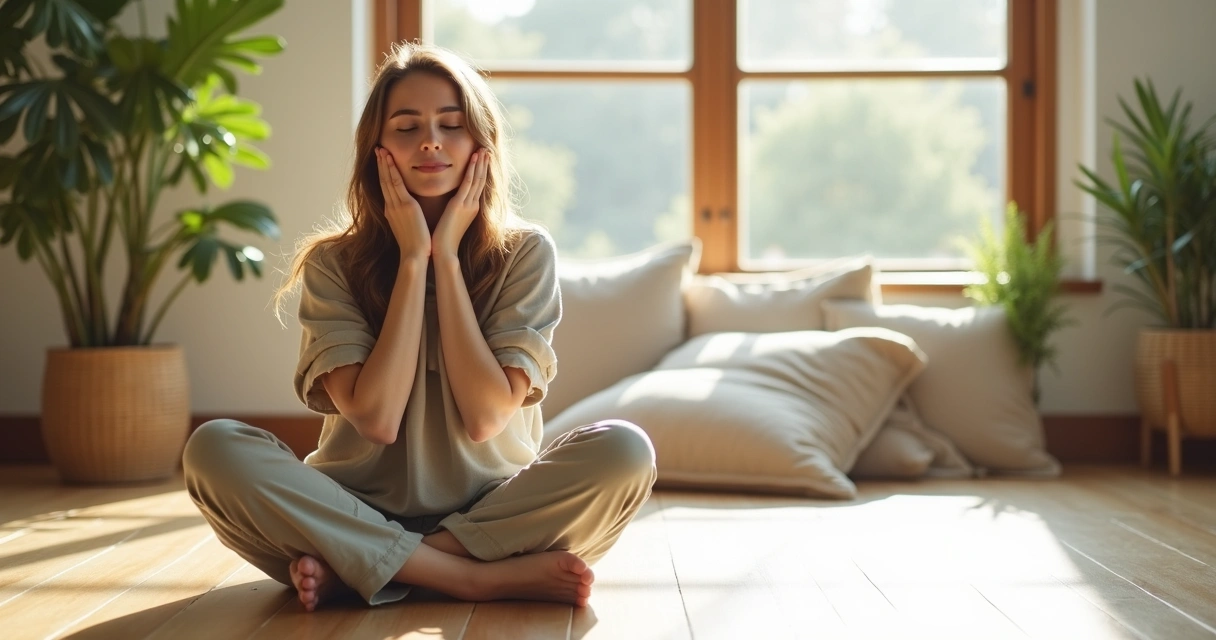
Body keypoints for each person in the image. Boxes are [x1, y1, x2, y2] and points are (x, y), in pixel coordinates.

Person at [181, 41, 657, 612]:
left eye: (450, 125)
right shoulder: (334, 264)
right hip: (352, 506)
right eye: (406, 128)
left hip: (496, 513)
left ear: (481, 143)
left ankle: (373, 568)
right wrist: (412, 260)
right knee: (214, 448)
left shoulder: (526, 253)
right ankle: (471, 578)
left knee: (626, 450)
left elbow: (485, 417)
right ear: (376, 150)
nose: (430, 141)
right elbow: (377, 419)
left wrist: (447, 259)